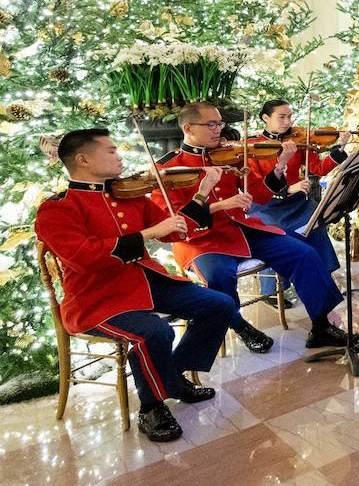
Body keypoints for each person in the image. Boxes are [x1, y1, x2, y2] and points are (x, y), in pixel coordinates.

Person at [36, 128, 238, 442]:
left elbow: (174, 231)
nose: (120, 157)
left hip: (145, 281)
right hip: (96, 298)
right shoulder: (57, 208)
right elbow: (86, 258)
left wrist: (202, 192)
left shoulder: (128, 194)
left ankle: (171, 376)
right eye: (111, 151)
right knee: (156, 331)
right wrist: (148, 233)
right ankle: (151, 407)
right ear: (83, 159)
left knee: (220, 305)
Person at [155, 102, 358, 354]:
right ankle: (241, 327)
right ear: (188, 128)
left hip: (241, 228)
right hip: (201, 241)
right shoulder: (167, 168)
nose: (219, 129)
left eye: (220, 123)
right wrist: (218, 206)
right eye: (211, 124)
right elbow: (173, 223)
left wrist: (280, 165)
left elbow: (261, 195)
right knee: (218, 277)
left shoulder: (230, 154)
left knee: (303, 252)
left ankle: (321, 326)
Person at [245, 100, 349, 302]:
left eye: (290, 117)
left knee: (315, 225)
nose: (287, 122)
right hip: (267, 206)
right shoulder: (252, 146)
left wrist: (341, 147)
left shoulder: (298, 140)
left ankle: (318, 279)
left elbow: (319, 169)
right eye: (281, 117)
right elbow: (254, 187)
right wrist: (287, 190)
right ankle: (271, 292)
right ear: (265, 118)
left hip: (297, 203)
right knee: (276, 237)